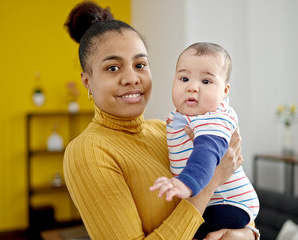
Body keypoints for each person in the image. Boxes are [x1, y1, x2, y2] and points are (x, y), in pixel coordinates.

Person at [63, 1, 258, 239]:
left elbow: (232, 203)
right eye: (113, 68)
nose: (132, 78)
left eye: (140, 65)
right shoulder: (88, 152)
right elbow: (212, 187)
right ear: (87, 81)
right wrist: (211, 182)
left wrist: (248, 233)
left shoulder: (166, 129)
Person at [150, 43, 259, 239]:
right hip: (213, 201)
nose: (192, 87)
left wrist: (186, 183)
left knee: (191, 232)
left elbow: (206, 152)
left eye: (206, 81)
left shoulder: (214, 117)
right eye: (184, 78)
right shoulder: (183, 117)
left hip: (228, 203)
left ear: (225, 91)